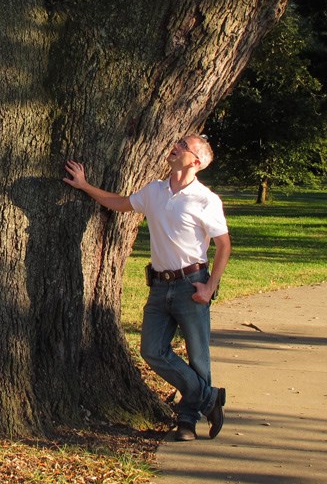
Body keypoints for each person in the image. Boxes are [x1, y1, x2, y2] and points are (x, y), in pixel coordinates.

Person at [63, 135, 231, 441]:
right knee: (152, 351)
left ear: (196, 162)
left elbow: (223, 246)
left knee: (198, 357)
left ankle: (187, 422)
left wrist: (209, 287)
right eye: (178, 141)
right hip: (158, 285)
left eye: (184, 145)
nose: (176, 145)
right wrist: (85, 186)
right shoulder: (155, 190)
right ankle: (209, 399)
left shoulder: (206, 200)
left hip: (191, 285)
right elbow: (121, 203)